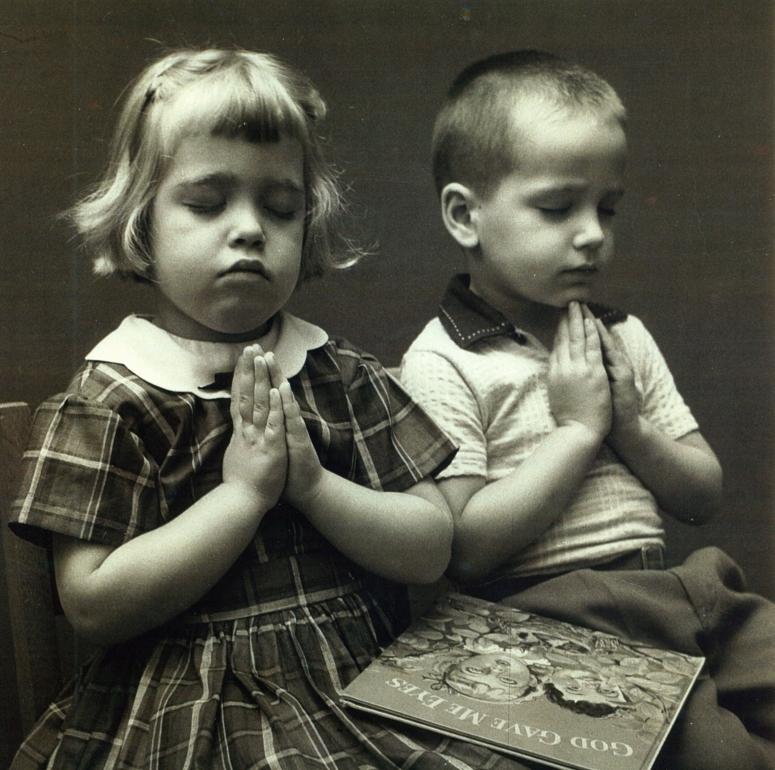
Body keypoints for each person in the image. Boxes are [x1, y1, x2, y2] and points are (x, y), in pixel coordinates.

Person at [8, 48, 539, 770]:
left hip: (365, 685)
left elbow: (430, 548)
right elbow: (94, 604)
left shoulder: (338, 374)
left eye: (280, 207)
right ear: (141, 221)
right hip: (193, 713)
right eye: (206, 202)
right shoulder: (113, 397)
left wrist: (313, 487)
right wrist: (243, 496)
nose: (251, 228)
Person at [400, 50, 775, 769]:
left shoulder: (619, 335)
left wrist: (629, 424)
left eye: (605, 208)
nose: (591, 234)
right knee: (713, 755)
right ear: (463, 215)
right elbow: (464, 546)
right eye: (555, 207)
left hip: (672, 586)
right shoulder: (443, 359)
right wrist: (576, 430)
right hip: (551, 613)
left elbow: (701, 492)